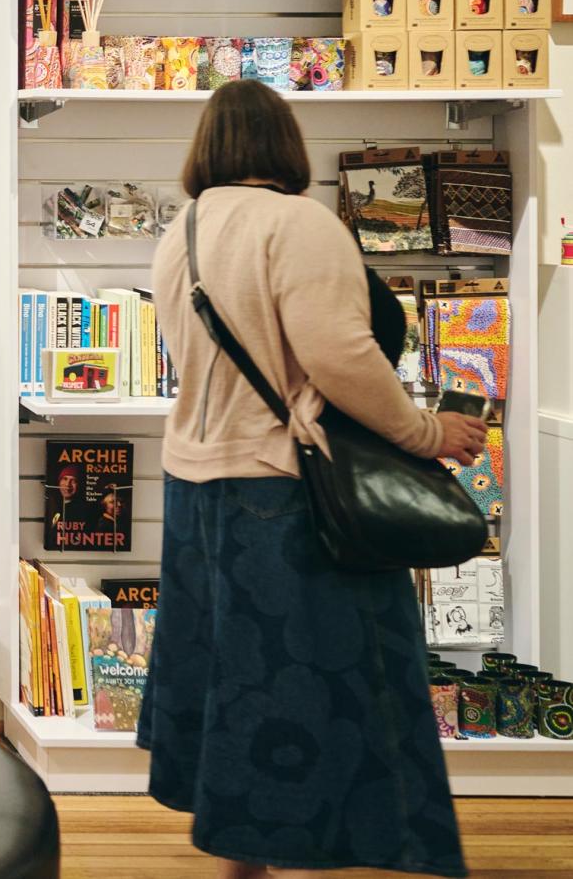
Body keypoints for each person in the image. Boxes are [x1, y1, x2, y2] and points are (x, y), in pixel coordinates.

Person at [143, 80, 485, 879]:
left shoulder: (180, 232)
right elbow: (340, 354)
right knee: (318, 690)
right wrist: (426, 431)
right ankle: (304, 862)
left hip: (195, 491)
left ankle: (241, 863)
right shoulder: (300, 223)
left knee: (239, 685)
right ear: (286, 143)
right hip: (284, 490)